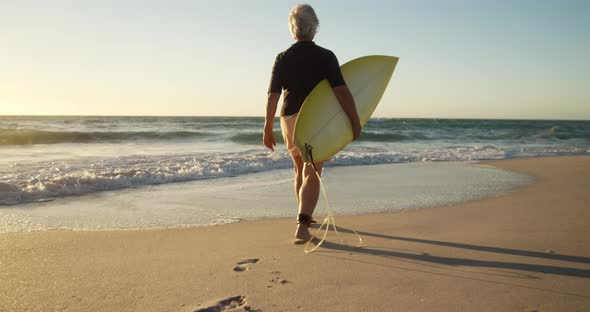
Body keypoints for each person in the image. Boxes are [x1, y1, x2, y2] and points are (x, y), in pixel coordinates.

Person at [263, 4, 361, 243]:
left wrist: (267, 126)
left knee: (299, 168)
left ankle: (303, 214)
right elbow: (342, 91)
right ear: (314, 27)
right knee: (313, 171)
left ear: (293, 28)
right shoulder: (325, 56)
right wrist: (354, 121)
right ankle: (303, 223)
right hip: (314, 118)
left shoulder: (282, 57)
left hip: (288, 118)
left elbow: (273, 95)